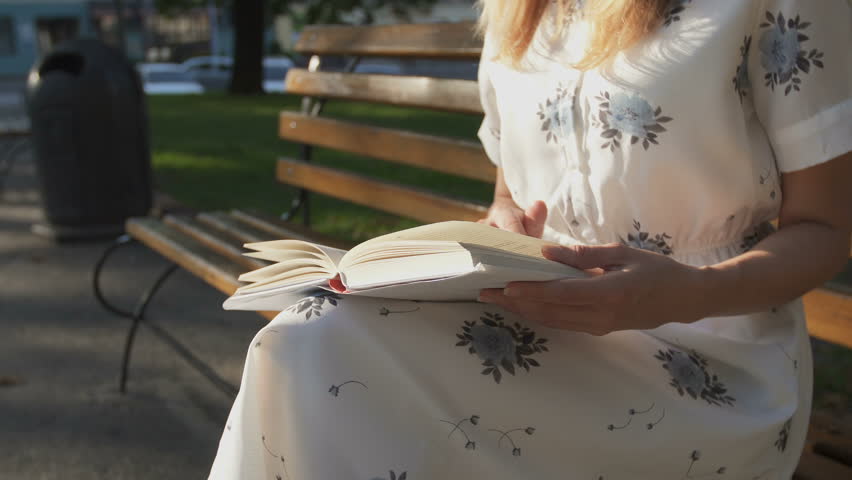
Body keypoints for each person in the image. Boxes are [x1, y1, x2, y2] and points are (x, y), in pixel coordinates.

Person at [209, 0, 851, 478]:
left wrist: (686, 293)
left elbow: (826, 231)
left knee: (338, 370)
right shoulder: (518, 8)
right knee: (308, 339)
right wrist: (504, 226)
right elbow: (510, 194)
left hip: (711, 353)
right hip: (543, 314)